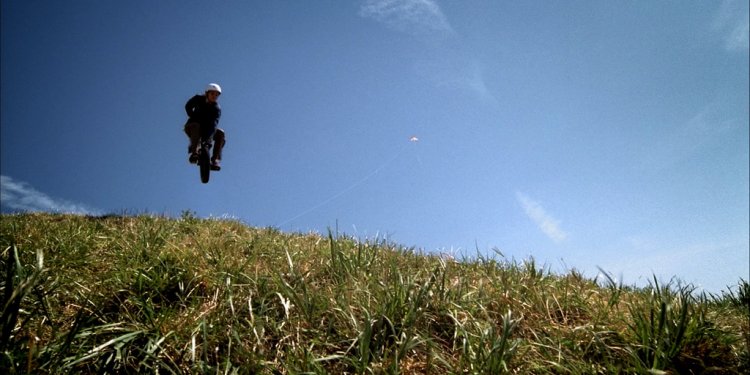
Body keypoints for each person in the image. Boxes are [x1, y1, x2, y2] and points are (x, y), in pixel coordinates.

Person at [184, 83, 225, 171]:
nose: (214, 96)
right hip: (192, 127)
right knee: (196, 125)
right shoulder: (198, 99)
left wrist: (208, 142)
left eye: (216, 95)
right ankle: (194, 153)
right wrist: (193, 116)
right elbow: (188, 106)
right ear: (207, 93)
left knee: (220, 133)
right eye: (212, 94)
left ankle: (215, 160)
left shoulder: (216, 108)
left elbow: (214, 124)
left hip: (207, 130)